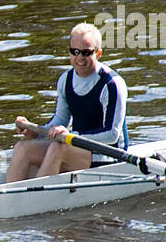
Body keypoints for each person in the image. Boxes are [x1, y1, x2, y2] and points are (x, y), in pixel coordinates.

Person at [7, 23, 129, 182]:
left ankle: (36, 200)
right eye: (75, 51)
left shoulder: (112, 84)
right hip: (78, 148)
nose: (79, 58)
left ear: (98, 53)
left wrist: (71, 135)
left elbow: (112, 135)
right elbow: (59, 121)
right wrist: (35, 132)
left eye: (86, 52)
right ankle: (7, 202)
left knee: (59, 148)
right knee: (22, 148)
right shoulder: (65, 80)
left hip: (109, 155)